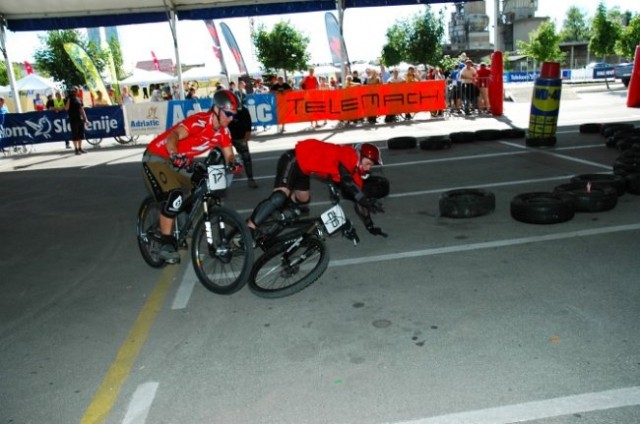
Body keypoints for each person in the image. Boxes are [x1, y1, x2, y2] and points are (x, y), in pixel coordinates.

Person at [141, 89, 240, 263]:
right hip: (158, 157)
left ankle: (182, 220)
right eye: (228, 114)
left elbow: (229, 154)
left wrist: (233, 162)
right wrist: (173, 154)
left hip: (180, 162)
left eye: (233, 115)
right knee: (175, 196)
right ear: (216, 109)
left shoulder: (223, 132)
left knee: (204, 183)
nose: (231, 118)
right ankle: (166, 244)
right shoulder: (200, 122)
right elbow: (174, 135)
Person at [246, 140, 386, 238]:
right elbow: (346, 179)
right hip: (294, 159)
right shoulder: (349, 154)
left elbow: (359, 202)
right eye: (367, 163)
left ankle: (281, 211)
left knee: (304, 198)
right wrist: (363, 197)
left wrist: (369, 224)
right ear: (359, 156)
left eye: (371, 166)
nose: (368, 168)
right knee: (279, 196)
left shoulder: (356, 174)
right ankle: (249, 228)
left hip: (304, 170)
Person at [228, 95, 258, 189]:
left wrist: (245, 140)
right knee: (223, 158)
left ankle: (250, 179)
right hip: (226, 138)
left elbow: (248, 127)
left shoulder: (244, 111)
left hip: (240, 137)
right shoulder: (224, 111)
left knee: (246, 157)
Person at [65, 86, 89, 155]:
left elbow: (82, 109)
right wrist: (69, 98)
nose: (75, 92)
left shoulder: (79, 99)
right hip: (73, 119)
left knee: (81, 134)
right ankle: (76, 149)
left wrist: (86, 119)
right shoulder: (68, 99)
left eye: (76, 90)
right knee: (75, 134)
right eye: (74, 90)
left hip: (80, 118)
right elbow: (66, 108)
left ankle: (80, 148)